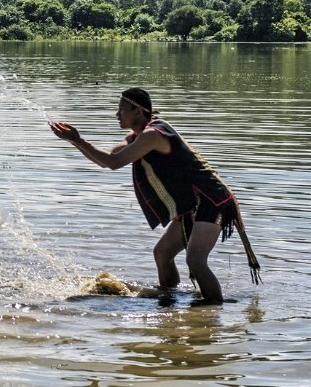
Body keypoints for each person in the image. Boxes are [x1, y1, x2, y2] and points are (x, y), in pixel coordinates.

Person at [49, 87, 260, 304]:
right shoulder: (138, 137)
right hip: (193, 205)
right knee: (162, 254)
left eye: (122, 109)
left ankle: (212, 311)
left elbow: (113, 163)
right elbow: (109, 157)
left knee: (196, 261)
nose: (116, 114)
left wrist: (77, 139)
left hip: (212, 200)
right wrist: (74, 141)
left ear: (138, 111)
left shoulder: (152, 135)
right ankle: (168, 302)